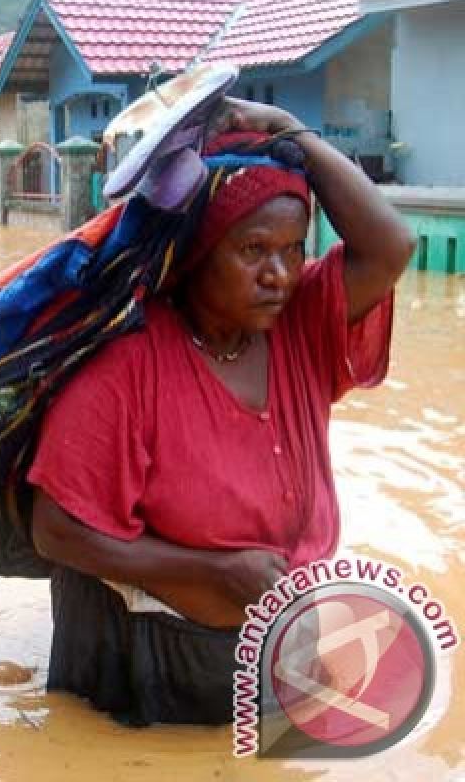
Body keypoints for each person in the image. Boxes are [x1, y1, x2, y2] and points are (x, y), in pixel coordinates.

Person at [26, 98, 413, 726]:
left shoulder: (299, 329)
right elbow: (56, 530)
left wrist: (291, 130)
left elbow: (391, 245)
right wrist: (211, 570)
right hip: (151, 655)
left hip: (278, 643)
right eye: (253, 249)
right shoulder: (129, 363)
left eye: (294, 249)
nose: (280, 274)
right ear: (197, 252)